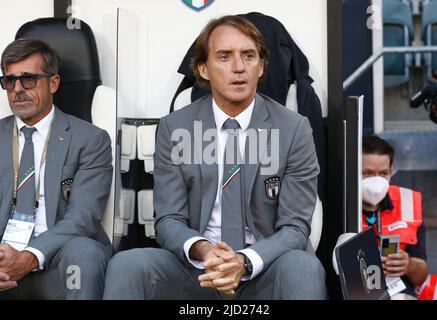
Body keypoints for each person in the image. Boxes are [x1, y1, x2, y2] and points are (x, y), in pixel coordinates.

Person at [103, 15, 326, 300]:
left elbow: (295, 227)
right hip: (197, 270)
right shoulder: (175, 128)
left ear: (261, 67)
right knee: (128, 264)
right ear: (203, 69)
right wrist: (204, 250)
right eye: (224, 57)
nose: (239, 67)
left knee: (304, 266)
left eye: (249, 56)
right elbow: (168, 219)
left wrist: (243, 262)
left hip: (264, 268)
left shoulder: (294, 129)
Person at [0, 39, 113, 299]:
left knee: (86, 253)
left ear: (53, 83)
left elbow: (82, 218)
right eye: (9, 81)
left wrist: (29, 257)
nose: (17, 89)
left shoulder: (90, 139)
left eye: (28, 79)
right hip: (3, 262)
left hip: (58, 259)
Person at [361, 135, 428, 299]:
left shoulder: (408, 203)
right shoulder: (340, 204)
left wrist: (409, 265)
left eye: (383, 173)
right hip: (354, 289)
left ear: (391, 173)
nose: (376, 180)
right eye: (367, 174)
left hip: (397, 291)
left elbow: (421, 276)